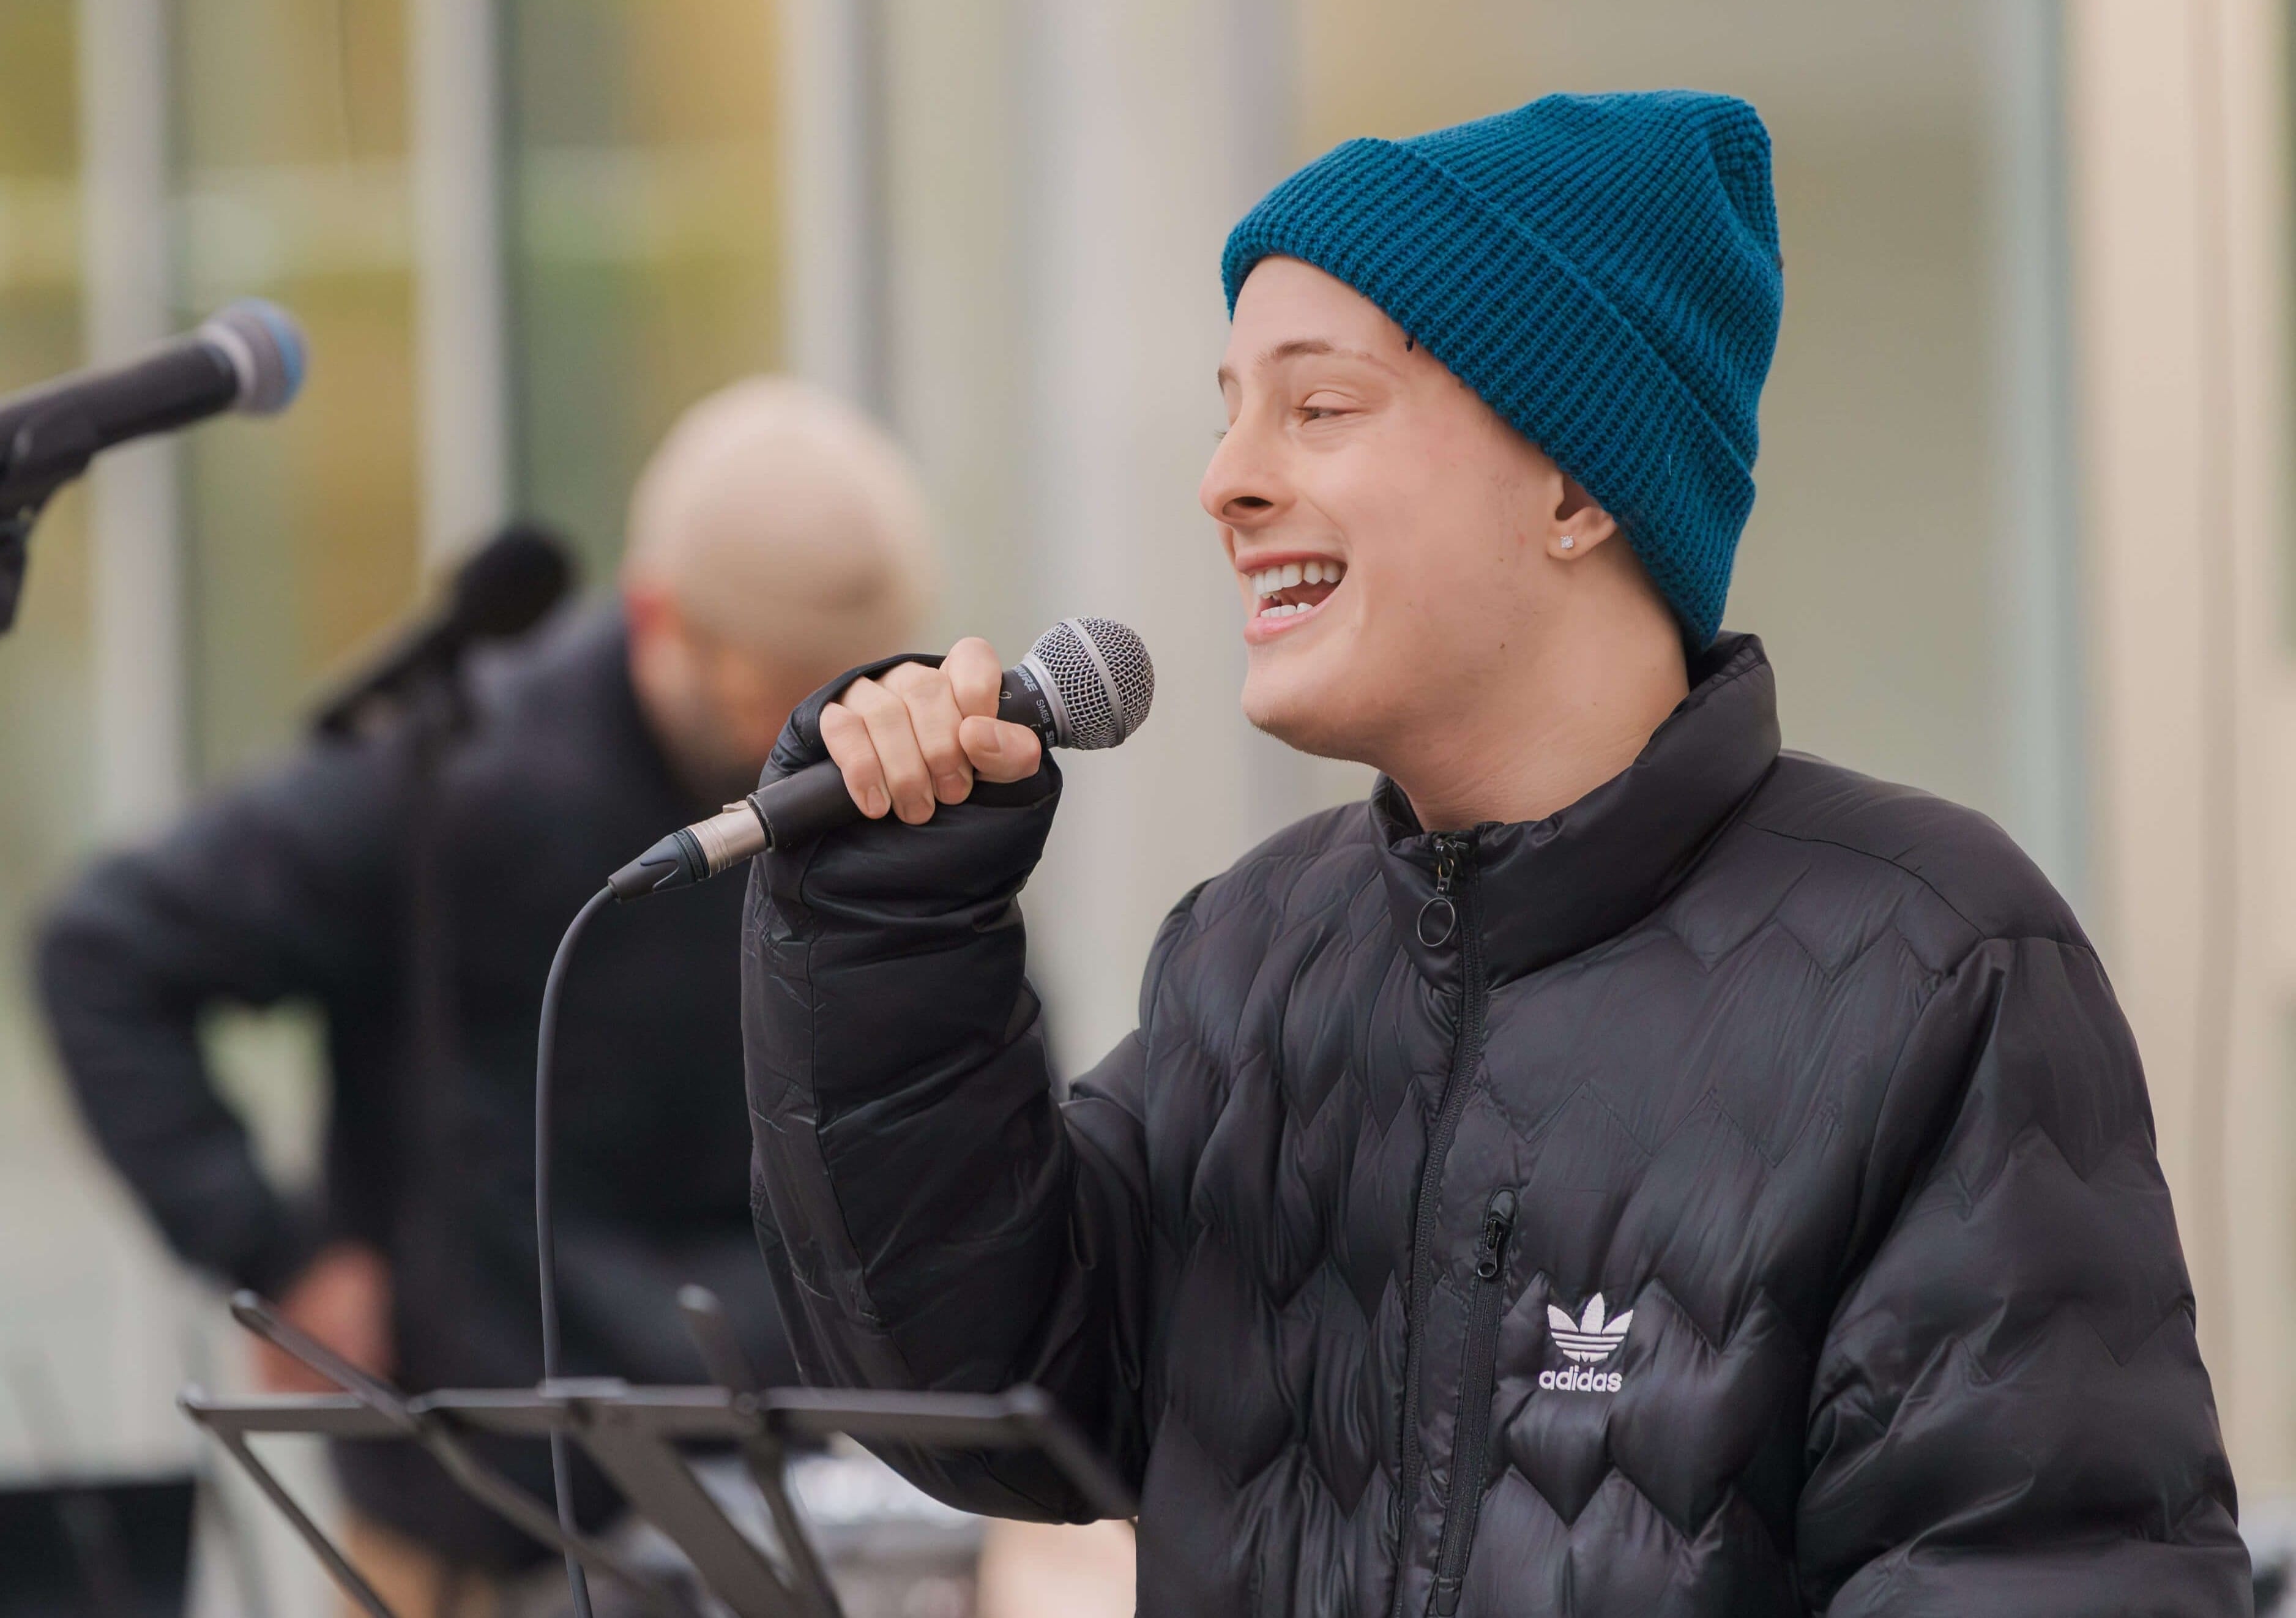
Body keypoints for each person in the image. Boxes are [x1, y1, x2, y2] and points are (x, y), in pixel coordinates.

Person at [744, 92, 2251, 1614]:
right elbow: (975, 1388)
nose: (1228, 483)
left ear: (1579, 485)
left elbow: (2039, 1576)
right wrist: (892, 919)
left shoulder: (1931, 965)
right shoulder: (1251, 957)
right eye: (1228, 413)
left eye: (1318, 407)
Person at [33, 376, 939, 1606]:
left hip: (811, 1495)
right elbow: (105, 951)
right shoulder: (452, 780)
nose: (826, 737)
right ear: (655, 614)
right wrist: (275, 1250)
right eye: (777, 691)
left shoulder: (878, 763)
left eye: (850, 689)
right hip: (486, 1521)